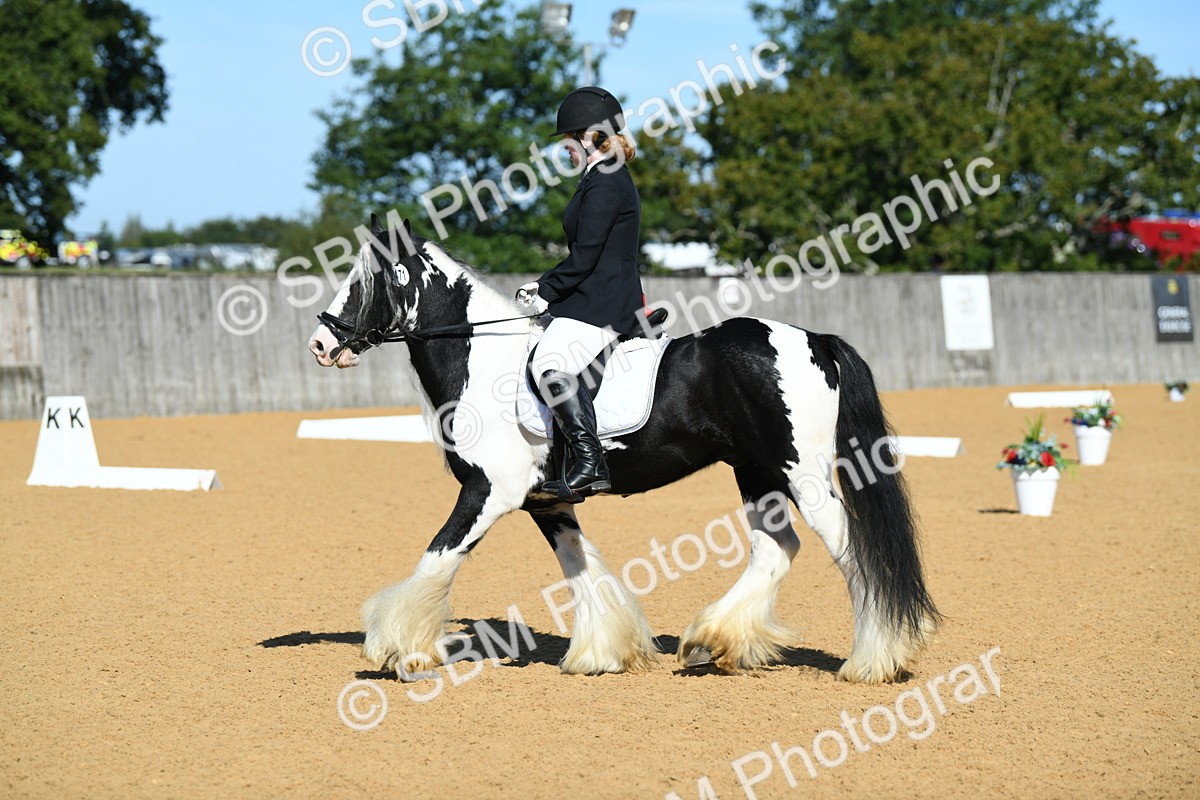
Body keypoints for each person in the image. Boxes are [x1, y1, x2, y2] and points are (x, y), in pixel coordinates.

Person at [515, 86, 645, 501]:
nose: (566, 149)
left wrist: (545, 290)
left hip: (603, 301)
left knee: (550, 364)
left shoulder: (606, 180)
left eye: (569, 140)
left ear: (591, 137)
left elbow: (586, 254)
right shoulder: (601, 176)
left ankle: (590, 463)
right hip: (595, 296)